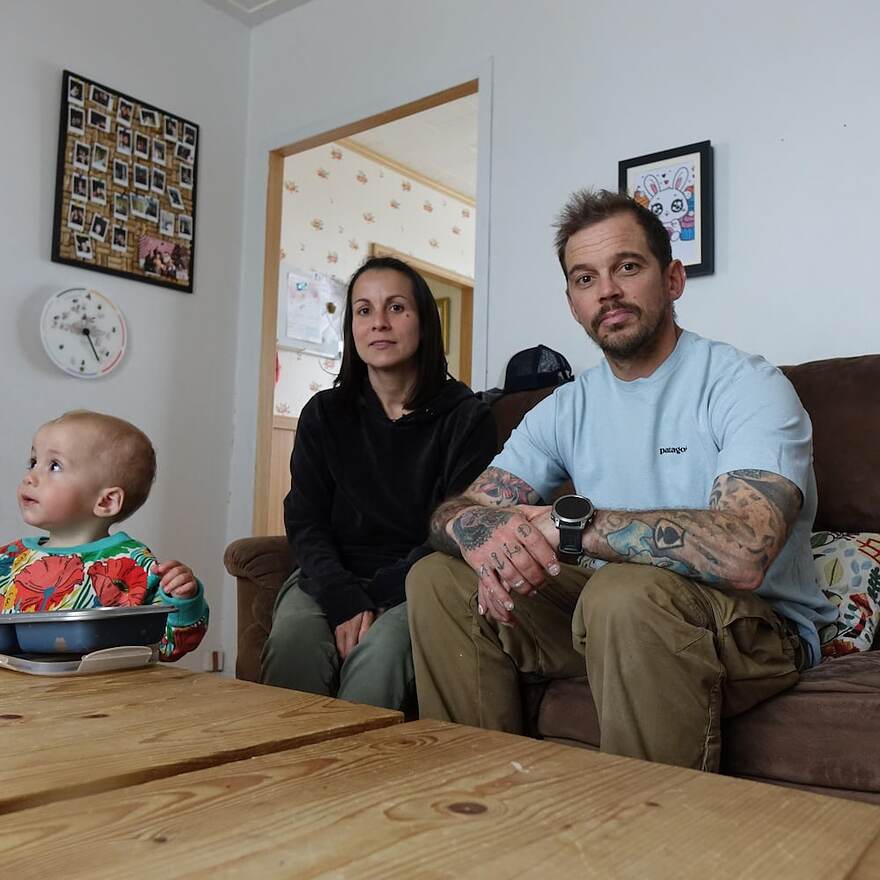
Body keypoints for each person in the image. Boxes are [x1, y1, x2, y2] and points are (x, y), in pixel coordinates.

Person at [406, 189, 836, 771]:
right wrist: (483, 536)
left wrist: (568, 529)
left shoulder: (744, 384)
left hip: (756, 627)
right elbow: (455, 510)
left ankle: (646, 840)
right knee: (438, 577)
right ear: (572, 303)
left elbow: (745, 551)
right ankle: (481, 807)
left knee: (622, 592)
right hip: (611, 622)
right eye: (584, 279)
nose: (606, 290)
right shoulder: (564, 407)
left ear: (674, 279)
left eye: (627, 267)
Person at [261, 256, 496, 711]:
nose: (379, 324)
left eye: (396, 308)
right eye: (364, 311)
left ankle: (354, 777)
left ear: (424, 322)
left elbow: (458, 530)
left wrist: (378, 598)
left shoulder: (468, 417)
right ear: (351, 327)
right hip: (328, 577)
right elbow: (305, 520)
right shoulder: (324, 414)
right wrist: (345, 596)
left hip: (420, 581)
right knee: (294, 643)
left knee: (380, 656)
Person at [0, 410, 209, 661]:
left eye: (54, 466)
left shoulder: (133, 564)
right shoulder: (9, 559)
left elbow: (167, 646)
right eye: (33, 462)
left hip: (106, 695)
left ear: (106, 501)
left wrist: (183, 601)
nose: (30, 477)